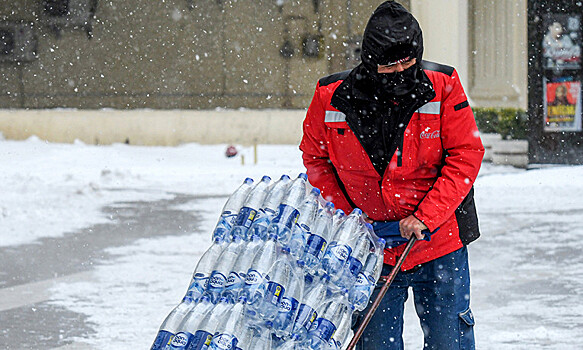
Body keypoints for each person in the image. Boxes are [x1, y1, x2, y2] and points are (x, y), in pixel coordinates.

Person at [299, 1, 484, 349]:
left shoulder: (443, 85)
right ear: (370, 61)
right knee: (375, 343)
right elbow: (315, 159)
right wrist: (352, 220)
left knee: (450, 341)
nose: (400, 70)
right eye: (389, 64)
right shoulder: (331, 97)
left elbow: (466, 155)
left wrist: (423, 217)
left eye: (408, 61)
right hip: (371, 248)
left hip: (437, 241)